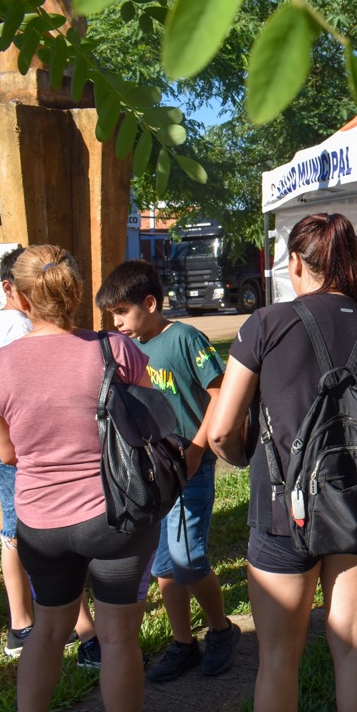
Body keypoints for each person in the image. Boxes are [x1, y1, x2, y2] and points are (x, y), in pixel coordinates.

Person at [207, 213, 357, 712]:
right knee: (354, 640)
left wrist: (245, 459)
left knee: (278, 656)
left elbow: (221, 430)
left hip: (282, 510)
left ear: (296, 262)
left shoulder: (267, 324)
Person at [0, 245, 167, 712]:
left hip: (40, 523)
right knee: (119, 638)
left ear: (21, 297)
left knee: (47, 631)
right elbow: (152, 423)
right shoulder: (116, 349)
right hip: (116, 514)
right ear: (78, 291)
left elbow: (6, 453)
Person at [95, 260, 241, 683]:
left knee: (189, 560)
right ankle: (183, 644)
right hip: (153, 475)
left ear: (150, 303)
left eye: (122, 312)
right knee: (163, 568)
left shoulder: (185, 338)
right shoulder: (127, 348)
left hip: (190, 471)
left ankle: (221, 630)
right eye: (112, 315)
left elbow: (220, 393)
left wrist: (196, 451)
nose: (117, 323)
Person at [0, 248, 98, 661]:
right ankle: (86, 632)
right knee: (49, 537)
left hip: (1, 443)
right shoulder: (22, 328)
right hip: (32, 449)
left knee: (12, 531)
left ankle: (21, 623)